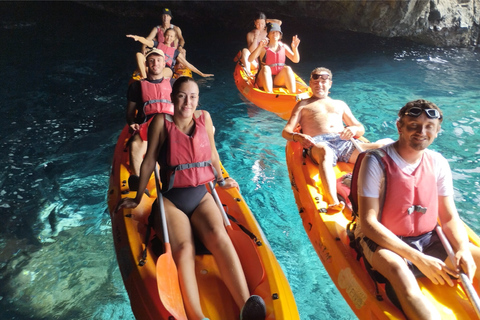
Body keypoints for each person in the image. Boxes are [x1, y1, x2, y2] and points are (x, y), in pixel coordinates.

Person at [117, 77, 266, 320]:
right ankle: (196, 315)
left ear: (198, 99)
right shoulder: (161, 123)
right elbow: (149, 161)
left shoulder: (204, 118)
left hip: (201, 196)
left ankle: (245, 306)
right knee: (184, 248)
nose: (188, 101)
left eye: (193, 96)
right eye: (182, 95)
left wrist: (221, 180)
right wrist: (137, 197)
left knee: (219, 236)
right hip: (173, 200)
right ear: (173, 97)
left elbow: (213, 154)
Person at [354, 99, 480, 319]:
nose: (421, 131)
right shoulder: (375, 161)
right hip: (385, 241)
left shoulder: (438, 162)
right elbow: (369, 223)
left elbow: (449, 217)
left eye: (429, 126)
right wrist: (418, 258)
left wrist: (460, 248)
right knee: (399, 273)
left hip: (428, 238)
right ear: (399, 127)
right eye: (413, 124)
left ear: (437, 131)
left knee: (473, 255)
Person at [282, 67, 383, 212]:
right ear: (310, 84)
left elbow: (360, 128)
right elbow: (286, 131)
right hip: (320, 143)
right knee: (325, 152)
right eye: (316, 82)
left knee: (381, 147)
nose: (319, 85)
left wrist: (353, 129)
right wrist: (297, 136)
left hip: (343, 142)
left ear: (330, 84)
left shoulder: (339, 104)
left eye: (324, 82)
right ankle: (333, 201)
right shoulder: (303, 105)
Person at [126, 48, 173, 182]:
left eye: (158, 60)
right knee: (135, 144)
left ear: (164, 64)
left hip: (169, 125)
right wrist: (132, 123)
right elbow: (129, 113)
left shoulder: (173, 84)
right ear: (146, 64)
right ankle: (137, 180)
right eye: (151, 61)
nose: (155, 63)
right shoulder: (136, 86)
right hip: (147, 126)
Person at [127, 30, 213, 79]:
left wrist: (202, 74)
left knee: (164, 72)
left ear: (174, 38)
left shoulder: (175, 52)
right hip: (154, 66)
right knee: (139, 54)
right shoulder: (157, 44)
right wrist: (137, 37)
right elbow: (146, 41)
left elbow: (188, 64)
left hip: (166, 69)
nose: (169, 38)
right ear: (164, 36)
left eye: (171, 36)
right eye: (167, 35)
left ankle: (152, 79)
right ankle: (145, 78)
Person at [248, 22, 300, 93]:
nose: (275, 34)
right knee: (266, 68)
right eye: (272, 32)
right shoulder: (263, 48)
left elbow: (295, 60)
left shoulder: (283, 47)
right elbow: (250, 59)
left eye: (277, 32)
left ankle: (293, 95)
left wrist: (295, 48)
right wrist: (259, 47)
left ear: (280, 35)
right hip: (263, 78)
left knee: (287, 68)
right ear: (268, 35)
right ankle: (269, 94)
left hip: (277, 79)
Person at [136, 8, 186, 79]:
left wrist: (180, 47)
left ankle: (179, 70)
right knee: (146, 49)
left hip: (173, 51)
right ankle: (143, 70)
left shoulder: (176, 29)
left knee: (183, 51)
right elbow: (148, 39)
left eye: (167, 16)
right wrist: (143, 48)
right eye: (164, 15)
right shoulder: (157, 29)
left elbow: (181, 39)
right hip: (161, 51)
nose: (165, 18)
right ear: (161, 17)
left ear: (170, 18)